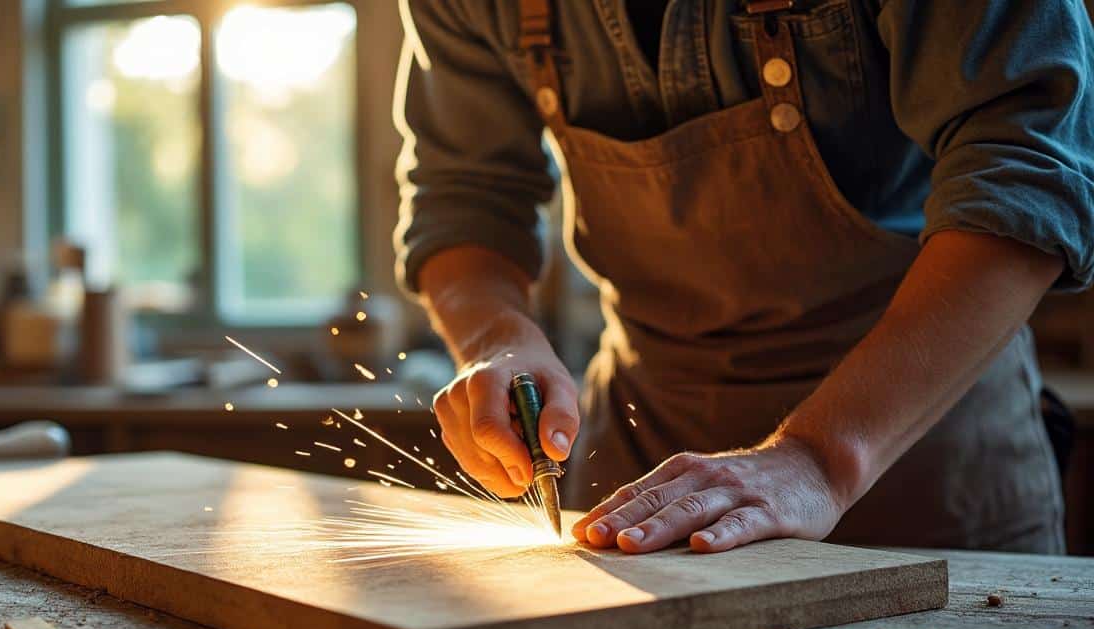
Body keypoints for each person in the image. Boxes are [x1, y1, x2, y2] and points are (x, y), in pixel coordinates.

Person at [394, 0, 1094, 555]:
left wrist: (821, 456)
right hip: (642, 471)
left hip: (927, 466)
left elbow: (1027, 166)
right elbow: (464, 199)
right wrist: (497, 337)